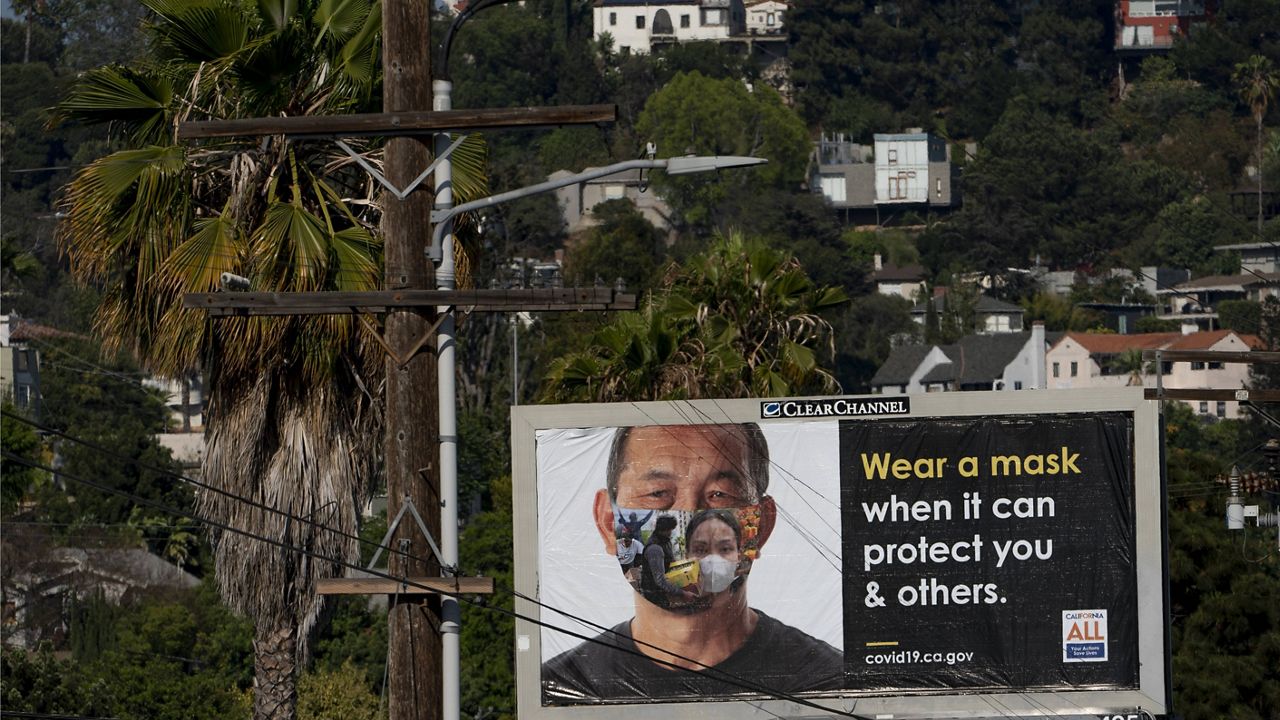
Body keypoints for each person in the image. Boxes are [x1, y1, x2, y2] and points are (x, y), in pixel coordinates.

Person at [542, 423, 843, 703]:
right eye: (658, 494)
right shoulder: (558, 691)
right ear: (609, 521)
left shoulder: (834, 688)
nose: (687, 516)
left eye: (719, 495)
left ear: (761, 526)